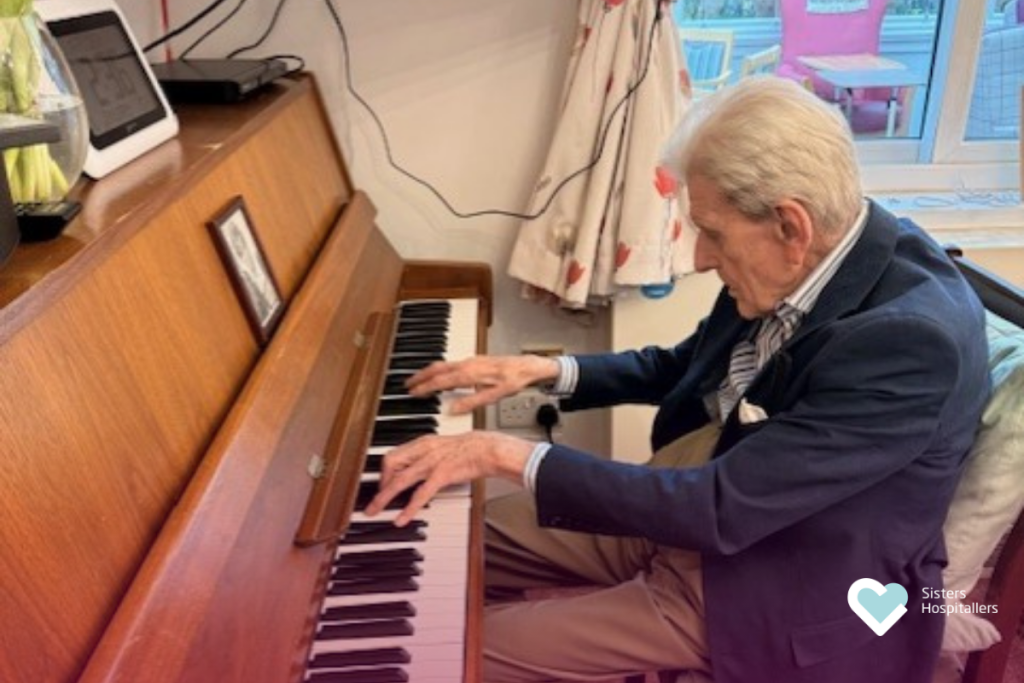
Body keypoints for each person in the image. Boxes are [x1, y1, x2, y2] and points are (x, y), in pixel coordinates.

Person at [365, 76, 991, 683]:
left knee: (448, 653)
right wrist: (544, 372)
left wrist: (504, 452)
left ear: (789, 226)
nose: (698, 258)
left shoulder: (906, 340)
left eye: (712, 234)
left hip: (772, 579)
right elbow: (683, 367)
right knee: (425, 539)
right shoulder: (823, 248)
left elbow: (719, 509)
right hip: (692, 507)